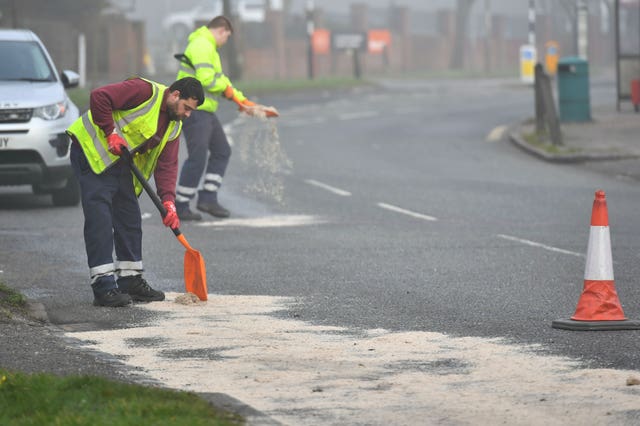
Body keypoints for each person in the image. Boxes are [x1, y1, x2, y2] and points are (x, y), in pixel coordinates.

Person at [66, 77, 204, 307]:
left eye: (192, 111)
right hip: (91, 154)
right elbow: (99, 96)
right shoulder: (144, 91)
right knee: (100, 220)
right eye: (187, 108)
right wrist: (110, 132)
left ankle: (130, 280)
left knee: (130, 218)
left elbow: (167, 165)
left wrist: (169, 202)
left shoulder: (174, 125)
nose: (187, 114)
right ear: (175, 95)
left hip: (121, 164)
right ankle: (103, 287)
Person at [174, 15, 258, 221]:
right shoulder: (202, 45)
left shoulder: (208, 47)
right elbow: (207, 80)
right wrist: (231, 93)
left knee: (222, 151)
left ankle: (208, 198)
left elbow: (218, 81)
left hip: (206, 110)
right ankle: (181, 204)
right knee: (198, 156)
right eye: (227, 36)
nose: (225, 40)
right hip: (193, 108)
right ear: (222, 30)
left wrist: (241, 100)